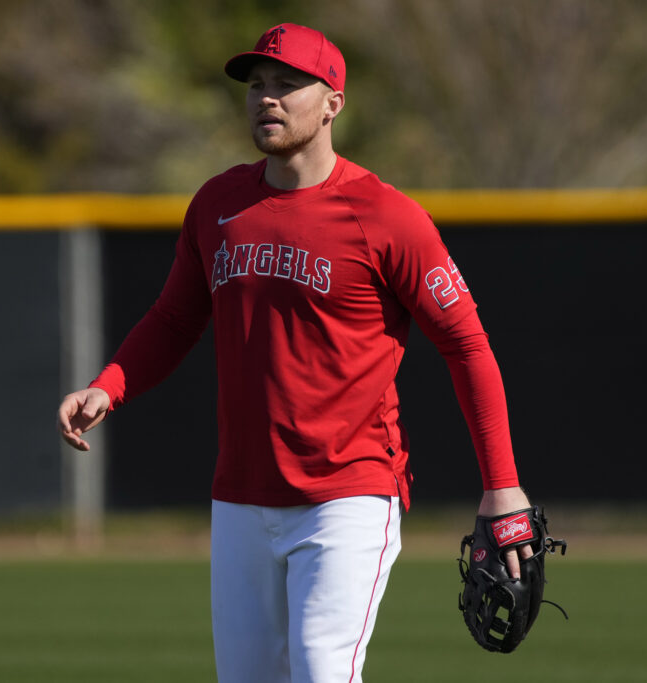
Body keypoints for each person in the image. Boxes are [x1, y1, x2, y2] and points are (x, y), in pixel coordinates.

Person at [58, 22, 533, 683]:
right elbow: (172, 318)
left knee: (322, 670)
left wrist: (501, 486)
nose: (266, 98)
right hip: (241, 497)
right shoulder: (219, 205)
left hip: (348, 493)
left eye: (287, 84)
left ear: (333, 101)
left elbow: (466, 344)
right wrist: (109, 384)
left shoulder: (387, 217)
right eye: (256, 85)